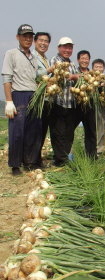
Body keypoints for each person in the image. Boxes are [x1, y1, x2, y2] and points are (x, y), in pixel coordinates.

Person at [1, 24, 41, 175]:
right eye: (24, 36)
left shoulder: (34, 57)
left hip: (33, 95)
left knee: (32, 130)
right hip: (19, 95)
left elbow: (36, 78)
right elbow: (6, 78)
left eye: (30, 36)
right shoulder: (11, 54)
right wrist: (9, 101)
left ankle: (29, 161)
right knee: (17, 132)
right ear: (18, 37)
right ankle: (15, 165)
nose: (28, 39)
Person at [49, 37, 79, 166]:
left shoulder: (72, 64)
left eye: (70, 47)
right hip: (58, 102)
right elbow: (58, 77)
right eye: (65, 47)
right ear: (59, 48)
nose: (68, 50)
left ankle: (65, 157)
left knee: (68, 133)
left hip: (70, 103)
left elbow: (75, 80)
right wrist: (73, 77)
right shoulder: (55, 60)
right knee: (58, 132)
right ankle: (60, 160)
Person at [33, 32, 52, 167]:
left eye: (46, 41)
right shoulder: (31, 56)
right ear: (35, 41)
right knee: (34, 131)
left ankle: (37, 158)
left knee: (42, 130)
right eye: (41, 40)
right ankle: (32, 160)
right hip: (36, 98)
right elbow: (33, 73)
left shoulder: (45, 58)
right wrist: (49, 70)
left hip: (45, 99)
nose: (43, 43)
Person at [75, 50, 97, 158]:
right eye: (82, 58)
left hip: (90, 104)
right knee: (70, 130)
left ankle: (91, 155)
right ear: (78, 60)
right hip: (76, 104)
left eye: (86, 58)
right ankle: (67, 155)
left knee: (91, 131)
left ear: (89, 60)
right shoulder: (74, 72)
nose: (84, 60)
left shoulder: (92, 73)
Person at [92, 58, 105, 155]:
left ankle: (100, 149)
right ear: (93, 68)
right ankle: (93, 149)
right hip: (92, 106)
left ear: (103, 68)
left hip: (103, 106)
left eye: (100, 67)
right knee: (94, 127)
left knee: (103, 125)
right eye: (96, 66)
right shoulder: (89, 78)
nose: (98, 68)